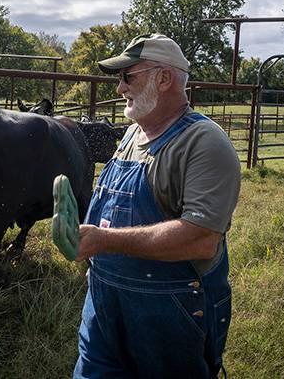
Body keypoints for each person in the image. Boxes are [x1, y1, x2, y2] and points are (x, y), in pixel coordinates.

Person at [73, 33, 241, 378]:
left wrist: (104, 242)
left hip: (167, 319)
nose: (120, 88)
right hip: (104, 311)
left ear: (164, 78)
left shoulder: (203, 143)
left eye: (128, 76)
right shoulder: (134, 135)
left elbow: (200, 238)